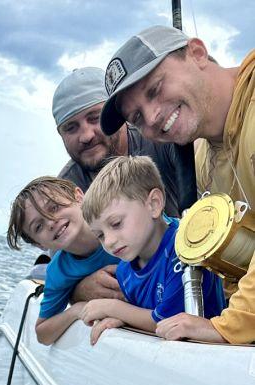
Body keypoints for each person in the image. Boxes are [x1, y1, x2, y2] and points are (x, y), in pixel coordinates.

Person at [100, 25, 255, 344]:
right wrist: (139, 315)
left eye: (155, 89)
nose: (153, 117)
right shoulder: (200, 159)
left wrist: (228, 326)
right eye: (138, 118)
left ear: (197, 53)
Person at [52, 66, 195, 305]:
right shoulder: (66, 189)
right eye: (71, 127)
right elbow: (60, 266)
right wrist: (79, 290)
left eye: (94, 118)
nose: (86, 135)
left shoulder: (163, 139)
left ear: (115, 114)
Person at [79, 156, 225, 344]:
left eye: (116, 224)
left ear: (154, 204)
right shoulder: (125, 271)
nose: (109, 241)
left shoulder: (186, 248)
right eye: (99, 235)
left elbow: (170, 321)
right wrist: (124, 319)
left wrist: (113, 308)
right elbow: (144, 318)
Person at [7, 176, 119, 344]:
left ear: (79, 197)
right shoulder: (58, 271)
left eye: (54, 208)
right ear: (39, 245)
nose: (51, 222)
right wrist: (76, 310)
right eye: (38, 226)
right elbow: (43, 334)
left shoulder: (120, 221)